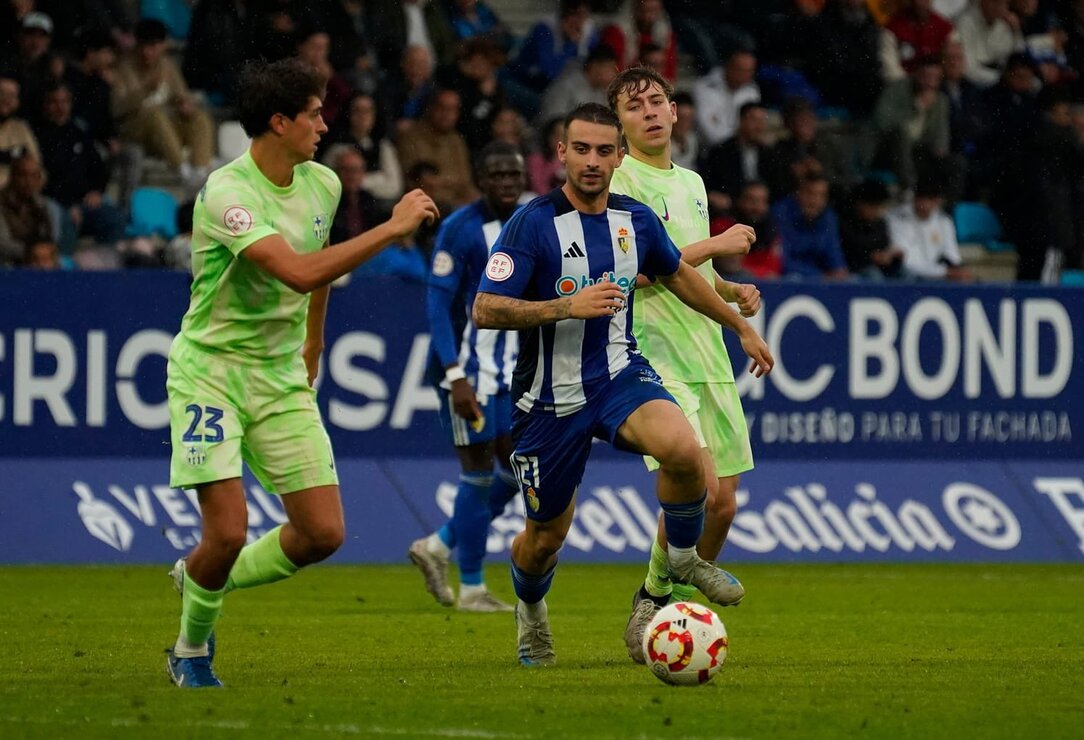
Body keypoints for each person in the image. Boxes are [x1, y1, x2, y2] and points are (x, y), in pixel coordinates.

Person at [163, 58, 438, 689]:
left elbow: (319, 270)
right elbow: (296, 270)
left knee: (322, 533)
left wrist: (314, 341)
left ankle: (203, 574)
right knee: (228, 531)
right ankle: (191, 650)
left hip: (280, 372)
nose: (324, 124)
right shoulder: (228, 195)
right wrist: (391, 230)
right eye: (313, 113)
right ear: (278, 122)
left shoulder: (322, 184)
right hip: (212, 373)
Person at [472, 102, 774, 667]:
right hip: (549, 399)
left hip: (618, 375)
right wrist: (566, 305)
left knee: (684, 452)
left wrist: (738, 326)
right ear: (561, 153)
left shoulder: (635, 219)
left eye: (604, 151)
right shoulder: (532, 223)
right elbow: (486, 308)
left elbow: (680, 274)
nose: (592, 161)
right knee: (544, 541)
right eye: (580, 149)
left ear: (618, 156)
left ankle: (680, 560)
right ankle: (532, 613)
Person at [606, 65, 768, 663]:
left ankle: (660, 602)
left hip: (708, 352)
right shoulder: (620, 184)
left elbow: (689, 271)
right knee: (695, 485)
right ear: (621, 127)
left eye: (657, 100)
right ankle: (653, 603)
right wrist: (719, 244)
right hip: (653, 354)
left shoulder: (693, 183)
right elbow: (642, 271)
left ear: (676, 112)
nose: (649, 111)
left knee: (723, 505)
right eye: (634, 106)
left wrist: (729, 290)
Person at [409, 141, 528, 613]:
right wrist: (455, 376)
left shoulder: (529, 220)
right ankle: (473, 588)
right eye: (497, 175)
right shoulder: (460, 228)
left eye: (513, 175)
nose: (506, 183)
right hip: (470, 373)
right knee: (478, 474)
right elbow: (438, 304)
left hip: (512, 374)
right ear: (481, 181)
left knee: (519, 471)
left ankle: (437, 545)